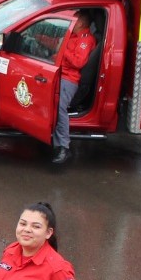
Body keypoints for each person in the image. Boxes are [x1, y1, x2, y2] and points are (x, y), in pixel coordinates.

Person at [50, 10, 95, 165]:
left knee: (59, 106)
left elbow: (78, 62)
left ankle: (63, 147)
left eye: (74, 19)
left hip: (69, 79)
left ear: (81, 22)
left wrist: (62, 51)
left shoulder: (86, 39)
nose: (71, 21)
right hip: (58, 74)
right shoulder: (73, 36)